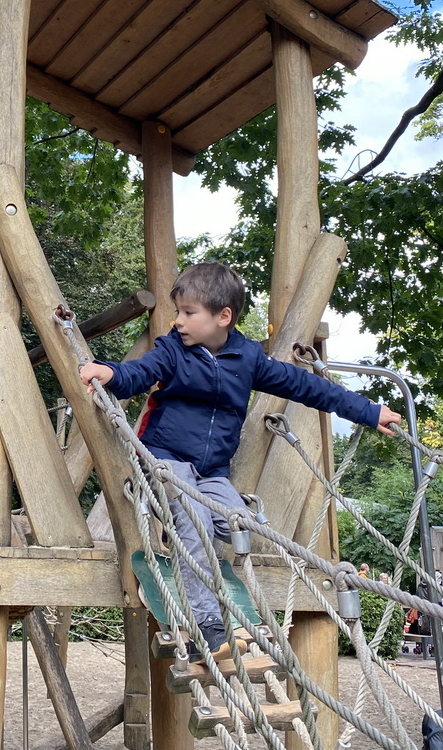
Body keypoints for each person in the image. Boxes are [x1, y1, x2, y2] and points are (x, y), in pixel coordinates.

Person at [79, 262, 401, 662]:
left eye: (188, 313)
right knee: (193, 518)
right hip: (164, 459)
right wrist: (107, 372)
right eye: (178, 312)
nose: (177, 320)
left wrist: (370, 411)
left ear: (223, 317)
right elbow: (137, 374)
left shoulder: (247, 358)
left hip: (213, 472)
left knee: (240, 525)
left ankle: (191, 562)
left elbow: (307, 386)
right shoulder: (172, 351)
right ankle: (207, 627)